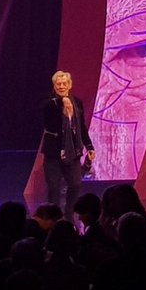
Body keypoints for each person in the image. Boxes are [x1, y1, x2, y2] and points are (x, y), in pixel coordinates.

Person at [40, 71, 96, 220]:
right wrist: (61, 102)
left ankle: (69, 213)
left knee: (76, 184)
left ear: (70, 85)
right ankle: (54, 217)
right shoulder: (49, 102)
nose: (62, 86)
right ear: (54, 86)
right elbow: (48, 112)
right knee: (54, 187)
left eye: (64, 83)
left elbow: (81, 127)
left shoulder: (77, 102)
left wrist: (89, 146)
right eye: (58, 84)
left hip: (73, 151)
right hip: (54, 152)